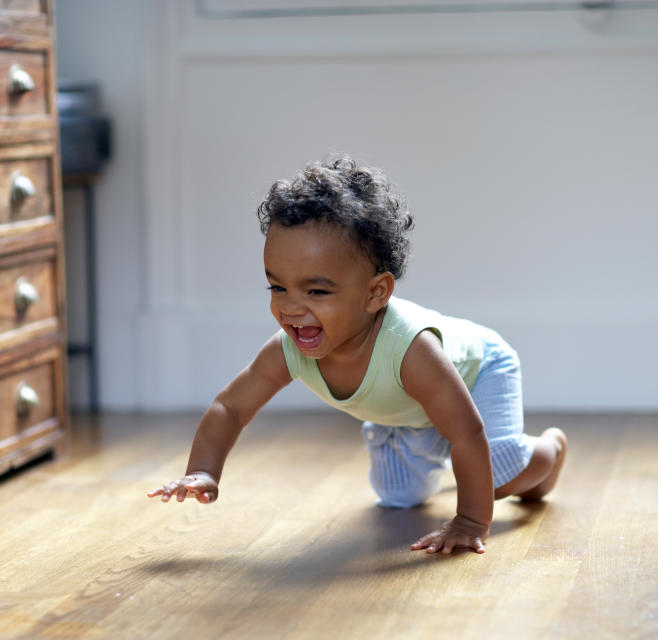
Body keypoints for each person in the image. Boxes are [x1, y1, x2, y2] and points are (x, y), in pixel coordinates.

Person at [147, 154, 567, 554]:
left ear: (375, 293)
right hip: (412, 408)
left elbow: (467, 432)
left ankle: (550, 450)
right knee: (399, 497)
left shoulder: (412, 348)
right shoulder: (291, 349)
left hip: (479, 375)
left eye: (316, 291)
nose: (291, 308)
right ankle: (434, 451)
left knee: (496, 476)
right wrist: (204, 469)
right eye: (278, 287)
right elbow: (230, 407)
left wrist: (471, 521)